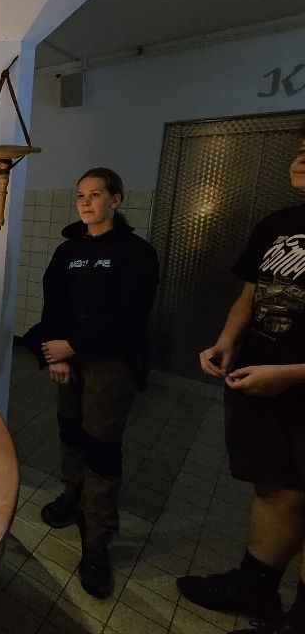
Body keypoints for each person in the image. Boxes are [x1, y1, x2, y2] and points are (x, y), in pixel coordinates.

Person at [177, 131, 305, 634]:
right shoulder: (277, 224)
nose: (300, 157)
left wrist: (292, 375)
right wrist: (228, 341)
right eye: (301, 147)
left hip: (292, 381)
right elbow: (250, 296)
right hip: (260, 376)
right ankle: (257, 585)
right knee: (275, 485)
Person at [37, 167, 159, 600]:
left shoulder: (136, 253)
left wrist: (73, 345)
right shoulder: (67, 251)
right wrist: (56, 352)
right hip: (67, 358)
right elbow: (52, 303)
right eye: (80, 196)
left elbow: (129, 315)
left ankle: (98, 540)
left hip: (110, 362)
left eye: (95, 194)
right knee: (70, 431)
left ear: (116, 199)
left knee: (102, 447)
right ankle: (72, 495)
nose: (86, 202)